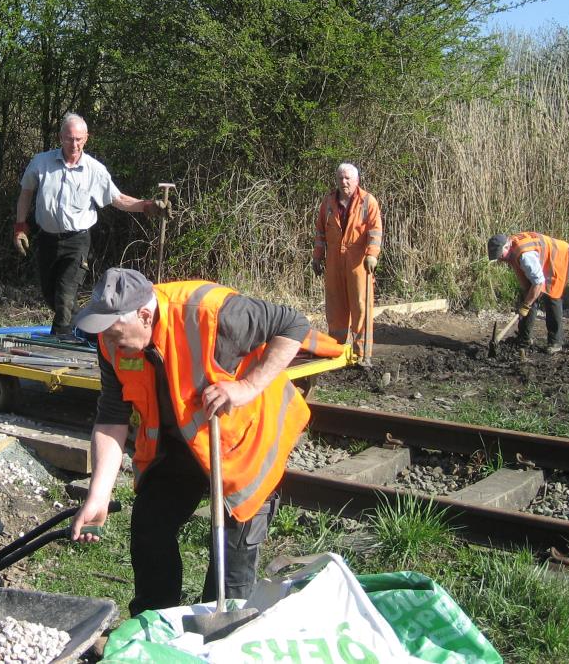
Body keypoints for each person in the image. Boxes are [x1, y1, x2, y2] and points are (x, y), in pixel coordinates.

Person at [67, 268, 345, 616]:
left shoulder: (213, 314)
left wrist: (245, 387)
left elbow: (293, 324)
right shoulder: (113, 342)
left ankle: (223, 633)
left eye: (114, 334)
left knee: (229, 569)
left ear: (144, 315)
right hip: (183, 445)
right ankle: (155, 628)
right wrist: (99, 496)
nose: (107, 343)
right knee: (150, 528)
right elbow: (111, 418)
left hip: (243, 446)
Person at [14, 113, 167, 340]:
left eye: (78, 139)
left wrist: (148, 206)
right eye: (68, 139)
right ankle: (95, 333)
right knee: (51, 295)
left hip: (77, 242)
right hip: (47, 239)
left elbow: (118, 199)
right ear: (60, 138)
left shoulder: (95, 170)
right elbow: (25, 192)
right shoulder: (41, 162)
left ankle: (60, 340)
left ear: (86, 138)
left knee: (65, 293)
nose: (73, 144)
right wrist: (20, 226)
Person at [311, 162, 383, 359]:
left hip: (358, 262)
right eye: (340, 178)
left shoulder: (368, 202)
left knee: (361, 306)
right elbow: (320, 233)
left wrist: (371, 255)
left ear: (356, 180)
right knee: (335, 308)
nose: (344, 182)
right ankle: (336, 353)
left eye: (347, 178)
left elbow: (375, 231)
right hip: (334, 262)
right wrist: (317, 257)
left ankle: (362, 355)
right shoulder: (327, 203)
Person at [487, 231, 569, 353]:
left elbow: (538, 283)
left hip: (560, 257)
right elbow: (530, 288)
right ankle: (524, 339)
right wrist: (526, 302)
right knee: (528, 296)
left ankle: (555, 342)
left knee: (552, 297)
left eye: (500, 255)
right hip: (543, 258)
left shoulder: (525, 256)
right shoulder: (512, 249)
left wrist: (526, 305)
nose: (500, 259)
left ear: (507, 246)